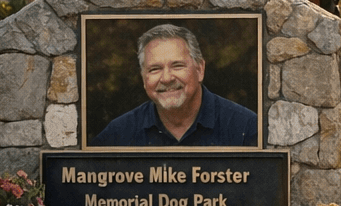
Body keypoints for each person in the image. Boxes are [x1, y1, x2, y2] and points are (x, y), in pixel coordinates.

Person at [92, 23, 258, 147]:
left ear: (200, 69)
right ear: (143, 78)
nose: (166, 78)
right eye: (155, 69)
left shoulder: (247, 128)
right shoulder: (117, 135)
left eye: (177, 66)